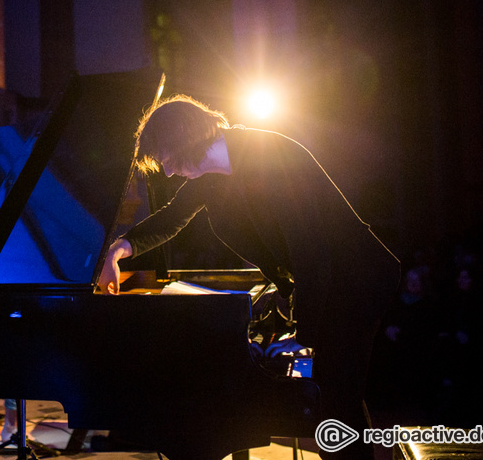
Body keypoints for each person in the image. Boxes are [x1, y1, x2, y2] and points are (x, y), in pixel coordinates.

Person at [98, 95, 400, 459]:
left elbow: (312, 252)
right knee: (337, 397)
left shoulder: (269, 153)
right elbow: (172, 217)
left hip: (356, 278)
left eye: (168, 159)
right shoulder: (211, 179)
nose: (168, 172)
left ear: (184, 138)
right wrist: (119, 248)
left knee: (333, 399)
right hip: (326, 280)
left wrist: (304, 335)